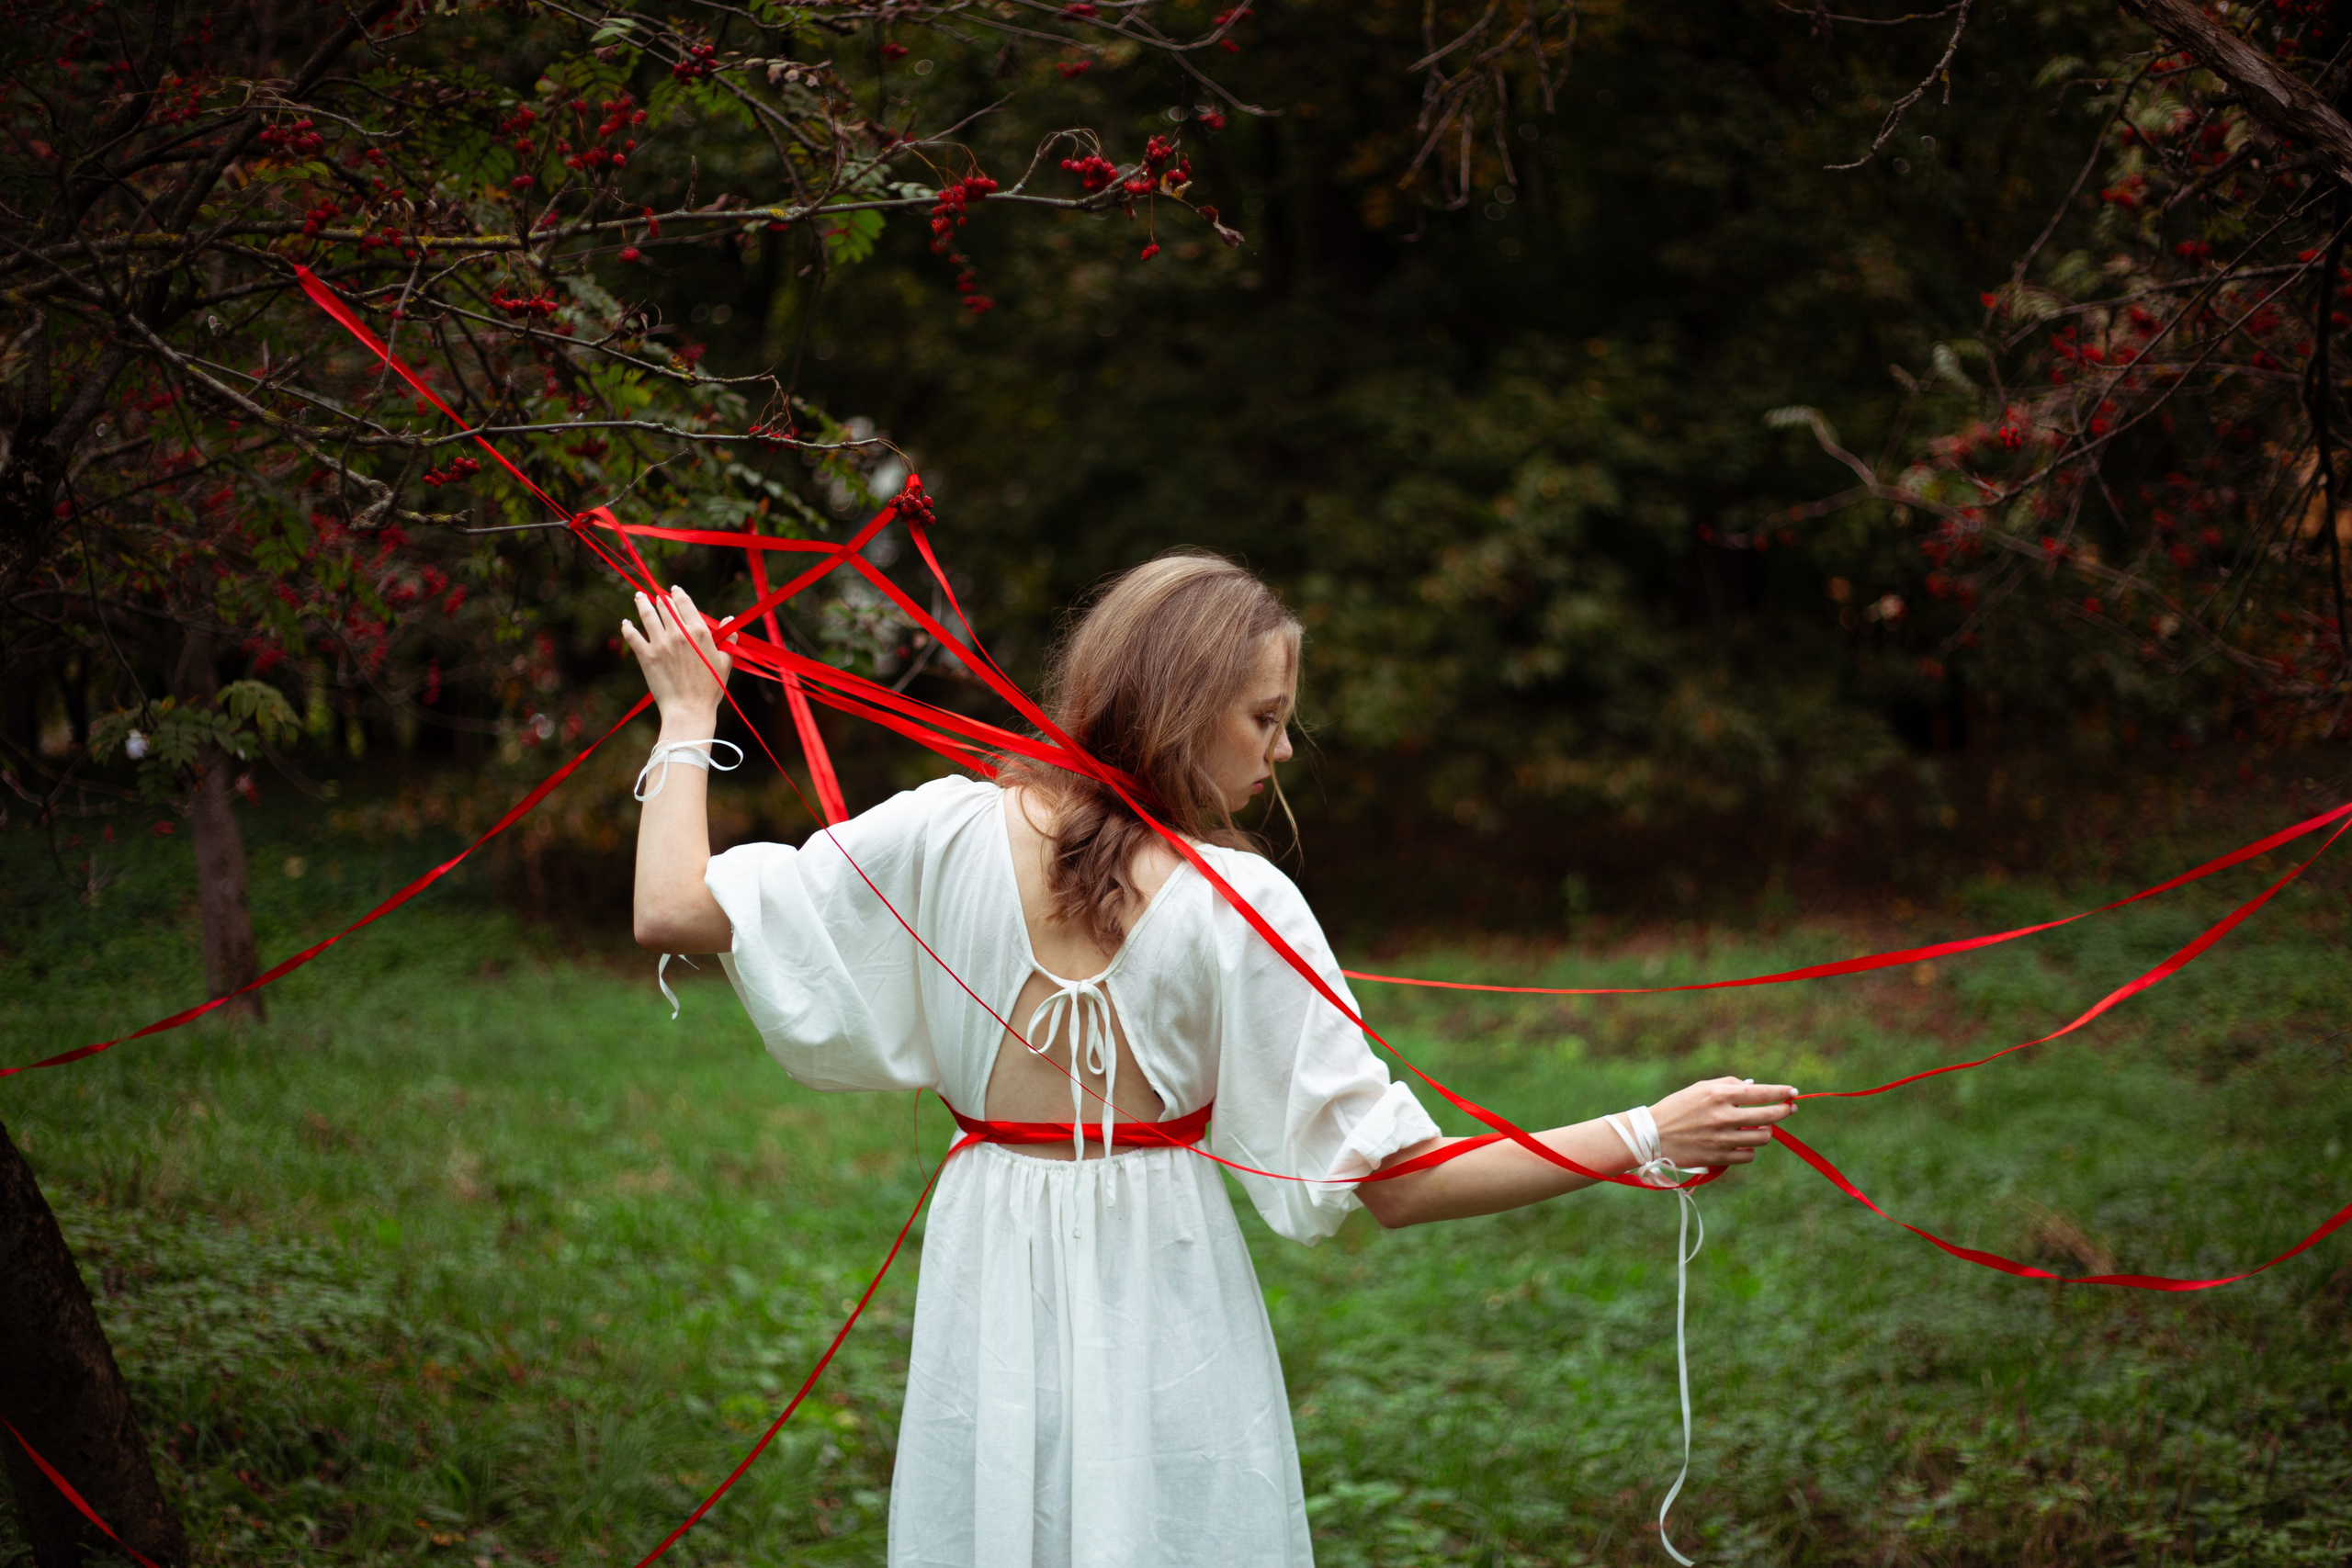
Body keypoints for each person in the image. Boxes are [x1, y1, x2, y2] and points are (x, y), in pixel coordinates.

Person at [624, 552, 1797, 1568]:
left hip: (1017, 1258)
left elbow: (670, 905)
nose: (1282, 750)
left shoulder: (944, 827)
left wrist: (687, 718)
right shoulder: (1241, 903)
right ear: (1183, 707)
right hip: (1150, 1271)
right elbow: (1399, 1186)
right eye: (1266, 717)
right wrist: (1643, 1134)